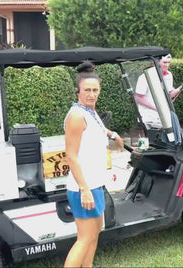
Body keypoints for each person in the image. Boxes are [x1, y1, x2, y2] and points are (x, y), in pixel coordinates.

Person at [64, 61, 124, 267]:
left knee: (94, 234)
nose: (92, 94)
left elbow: (99, 127)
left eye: (95, 90)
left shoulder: (90, 111)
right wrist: (85, 189)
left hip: (95, 185)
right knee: (84, 239)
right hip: (84, 188)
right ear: (77, 91)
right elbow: (70, 156)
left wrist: (113, 134)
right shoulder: (76, 116)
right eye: (87, 90)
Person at [134, 54, 181, 128]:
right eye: (164, 62)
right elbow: (139, 97)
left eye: (169, 62)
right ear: (157, 62)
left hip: (164, 117)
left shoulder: (169, 75)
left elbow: (168, 95)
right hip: (148, 118)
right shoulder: (144, 77)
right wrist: (156, 108)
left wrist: (178, 90)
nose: (167, 65)